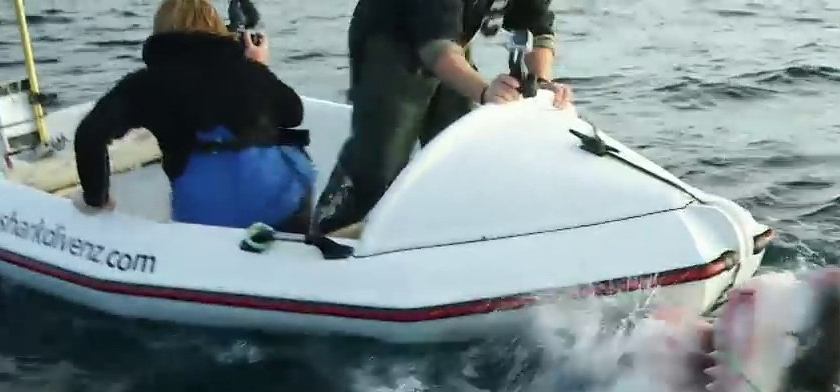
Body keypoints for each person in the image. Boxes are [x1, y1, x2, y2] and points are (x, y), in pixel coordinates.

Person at [307, 0, 575, 238]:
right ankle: (329, 232)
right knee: (382, 159)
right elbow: (435, 51)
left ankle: (444, 235)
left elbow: (537, 28)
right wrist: (484, 91)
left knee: (458, 149)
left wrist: (541, 81)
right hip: (391, 42)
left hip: (451, 43)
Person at [72, 0, 316, 234]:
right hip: (280, 214)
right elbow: (294, 114)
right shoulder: (248, 72)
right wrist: (259, 69)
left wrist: (97, 198)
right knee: (290, 151)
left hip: (200, 222)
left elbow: (89, 135)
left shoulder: (144, 84)